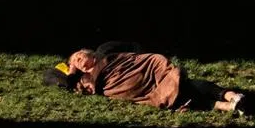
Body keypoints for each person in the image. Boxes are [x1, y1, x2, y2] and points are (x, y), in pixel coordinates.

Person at [64, 47, 245, 114]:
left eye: (79, 56)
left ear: (90, 54)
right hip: (133, 89)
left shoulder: (108, 57)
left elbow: (134, 58)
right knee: (180, 95)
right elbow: (64, 82)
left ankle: (230, 97)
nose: (77, 61)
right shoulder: (84, 80)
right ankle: (230, 102)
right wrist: (71, 71)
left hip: (146, 72)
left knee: (181, 86)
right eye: (74, 61)